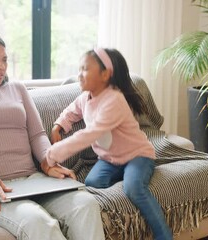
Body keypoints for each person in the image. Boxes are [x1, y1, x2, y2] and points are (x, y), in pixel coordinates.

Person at [0, 32, 105, 240]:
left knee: (85, 205)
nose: (2, 66)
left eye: (4, 59)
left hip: (31, 181)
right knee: (37, 221)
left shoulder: (17, 89)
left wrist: (47, 161)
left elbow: (37, 134)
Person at [46, 48, 173, 240]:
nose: (79, 74)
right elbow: (72, 111)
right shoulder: (86, 97)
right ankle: (126, 174)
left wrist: (52, 154)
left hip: (137, 155)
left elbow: (89, 134)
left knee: (134, 188)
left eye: (86, 69)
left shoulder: (114, 100)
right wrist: (58, 126)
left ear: (105, 75)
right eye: (79, 68)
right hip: (110, 159)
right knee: (92, 182)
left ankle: (164, 236)